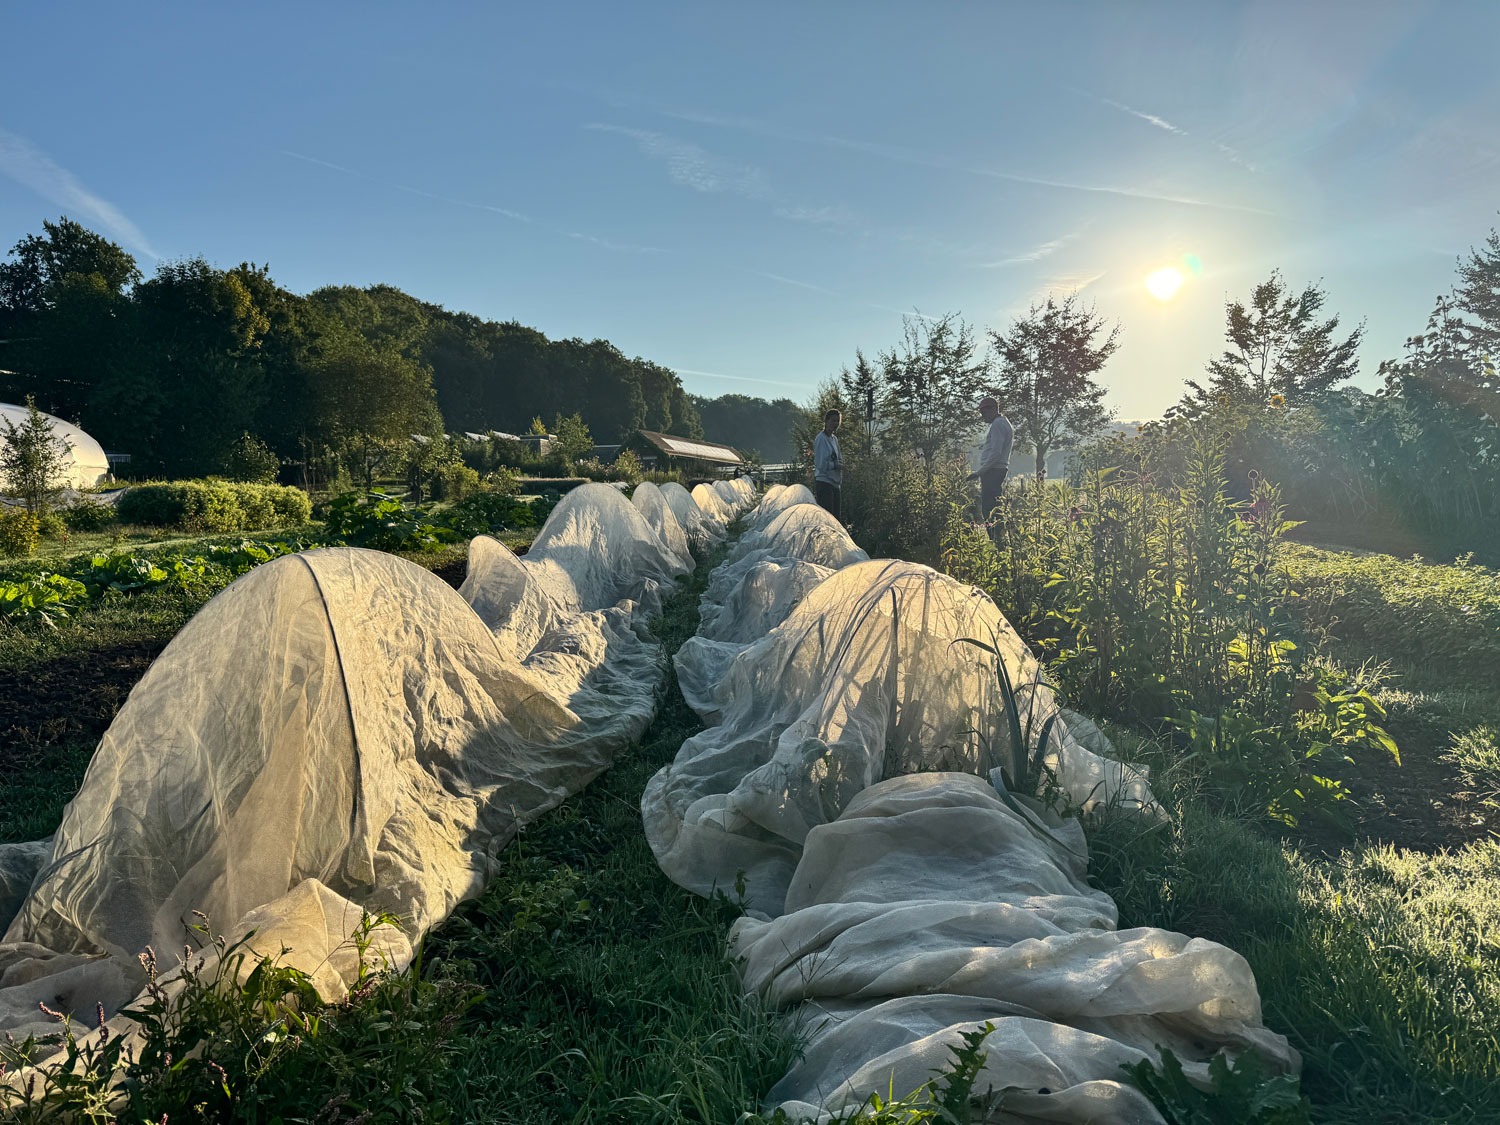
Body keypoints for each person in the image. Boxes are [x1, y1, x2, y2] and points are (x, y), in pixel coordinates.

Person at [969, 396, 1013, 523]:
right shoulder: (1003, 422)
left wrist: (979, 472)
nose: (983, 416)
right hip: (996, 470)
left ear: (993, 409)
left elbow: (995, 453)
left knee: (989, 509)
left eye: (984, 412)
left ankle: (996, 538)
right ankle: (998, 538)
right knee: (994, 506)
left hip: (993, 471)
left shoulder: (998, 424)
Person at [813, 409, 843, 520]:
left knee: (836, 519)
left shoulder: (834, 439)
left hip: (835, 482)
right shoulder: (821, 439)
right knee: (827, 518)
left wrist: (841, 465)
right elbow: (820, 464)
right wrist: (836, 466)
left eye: (837, 421)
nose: (835, 424)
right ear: (826, 421)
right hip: (824, 482)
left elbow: (838, 458)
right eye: (833, 421)